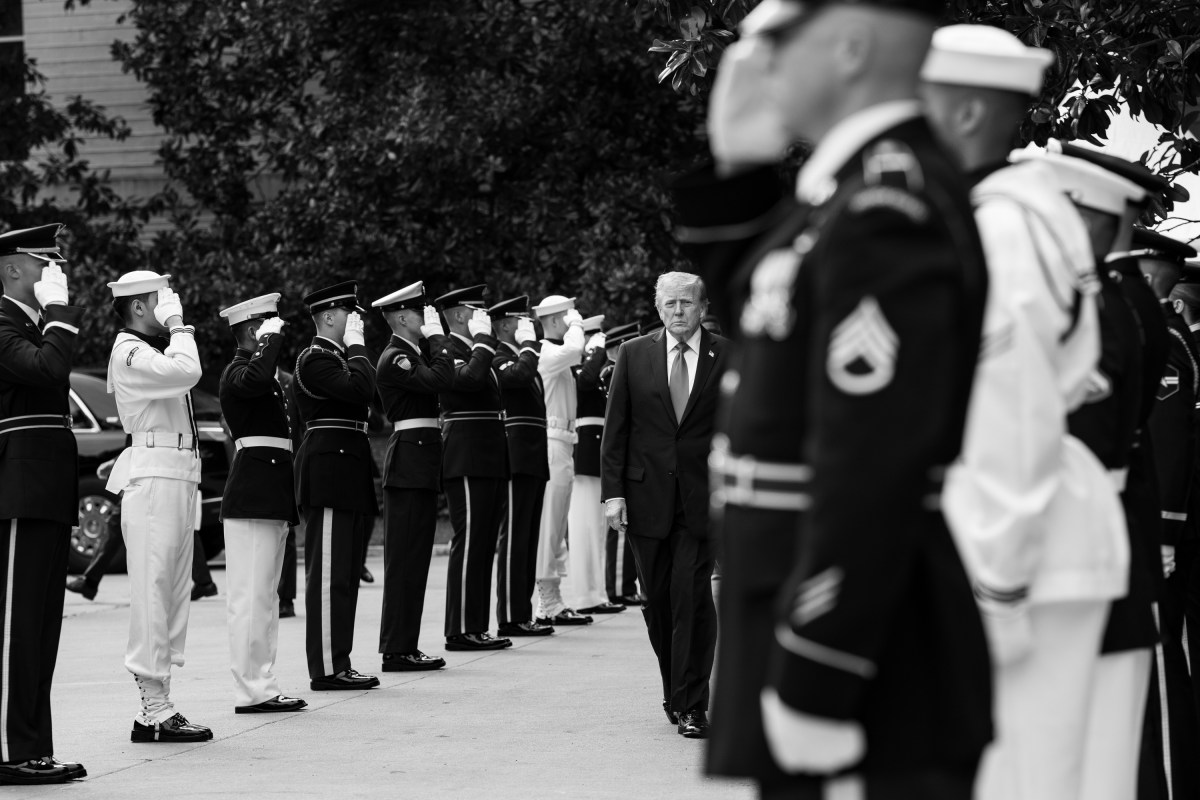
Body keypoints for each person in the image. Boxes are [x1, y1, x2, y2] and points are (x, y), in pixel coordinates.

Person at [671, 0, 992, 791]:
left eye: (777, 41)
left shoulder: (889, 205)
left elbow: (873, 459)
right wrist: (738, 167)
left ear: (849, 46)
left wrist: (821, 659)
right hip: (798, 597)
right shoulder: (846, 194)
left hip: (855, 634)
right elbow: (764, 312)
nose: (756, 62)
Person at [923, 29, 1135, 800]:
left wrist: (997, 583)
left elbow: (1010, 415)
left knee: (1020, 779)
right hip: (1025, 532)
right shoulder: (1000, 214)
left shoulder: (1003, 227)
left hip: (1021, 545)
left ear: (970, 110)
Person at [601, 272, 726, 739]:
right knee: (657, 603)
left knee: (692, 598)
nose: (679, 311)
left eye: (687, 303)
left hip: (702, 499)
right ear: (658, 308)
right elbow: (616, 431)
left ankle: (693, 704)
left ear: (702, 307)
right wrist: (613, 494)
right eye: (670, 303)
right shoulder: (634, 355)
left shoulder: (727, 355)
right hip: (644, 498)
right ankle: (675, 690)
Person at [105, 269, 212, 743]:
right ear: (139, 307)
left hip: (177, 475)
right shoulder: (128, 351)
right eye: (159, 296)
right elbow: (188, 372)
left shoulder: (149, 350)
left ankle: (161, 703)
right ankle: (152, 709)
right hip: (152, 477)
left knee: (171, 596)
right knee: (153, 594)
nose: (170, 300)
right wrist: (181, 326)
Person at [0, 224, 87, 783]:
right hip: (17, 488)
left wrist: (53, 314)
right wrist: (59, 313)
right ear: (11, 269)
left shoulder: (33, 324)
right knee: (15, 627)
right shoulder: (4, 323)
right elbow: (48, 370)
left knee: (41, 629)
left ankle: (33, 746)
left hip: (46, 486)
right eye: (42, 262)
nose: (54, 273)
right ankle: (9, 751)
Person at [217, 292, 307, 713]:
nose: (278, 337)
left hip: (271, 493)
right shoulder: (238, 373)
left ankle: (263, 683)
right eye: (270, 329)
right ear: (254, 331)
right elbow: (254, 378)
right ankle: (251, 689)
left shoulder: (267, 378)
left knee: (266, 598)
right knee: (250, 599)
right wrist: (268, 345)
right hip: (253, 493)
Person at [1134, 228, 1200, 800]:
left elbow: (1168, 441)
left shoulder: (1166, 342)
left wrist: (1164, 531)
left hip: (1161, 528)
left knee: (1160, 662)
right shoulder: (1158, 334)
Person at [292, 281, 380, 690]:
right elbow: (362, 389)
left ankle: (339, 661)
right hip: (329, 471)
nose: (355, 321)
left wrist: (357, 349)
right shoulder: (315, 358)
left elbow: (368, 401)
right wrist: (360, 346)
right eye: (350, 313)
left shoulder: (341, 359)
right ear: (329, 316)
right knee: (329, 575)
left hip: (348, 468)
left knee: (344, 574)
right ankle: (327, 668)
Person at [372, 281, 453, 669]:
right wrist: (438, 338)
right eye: (421, 313)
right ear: (403, 317)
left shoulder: (411, 353)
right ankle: (396, 649)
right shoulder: (396, 357)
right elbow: (441, 380)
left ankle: (405, 645)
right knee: (404, 561)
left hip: (419, 464)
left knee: (415, 560)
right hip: (408, 465)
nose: (427, 319)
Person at [434, 284, 512, 651]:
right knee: (469, 541)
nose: (484, 319)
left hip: (488, 451)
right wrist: (483, 341)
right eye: (477, 311)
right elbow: (469, 381)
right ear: (462, 316)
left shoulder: (474, 349)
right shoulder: (445, 348)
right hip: (466, 452)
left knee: (483, 543)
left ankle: (477, 625)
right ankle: (461, 628)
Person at [488, 295, 555, 638]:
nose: (525, 326)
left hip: (532, 458)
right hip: (515, 458)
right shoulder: (499, 357)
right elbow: (519, 374)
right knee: (514, 537)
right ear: (503, 326)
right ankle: (511, 616)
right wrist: (530, 344)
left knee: (527, 537)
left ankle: (522, 612)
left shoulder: (522, 359)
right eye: (519, 320)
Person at [531, 295, 593, 627]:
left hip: (565, 442)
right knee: (550, 525)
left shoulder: (557, 356)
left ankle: (552, 599)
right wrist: (578, 324)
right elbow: (573, 350)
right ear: (556, 321)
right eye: (566, 317)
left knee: (557, 527)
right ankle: (546, 601)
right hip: (552, 442)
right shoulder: (548, 353)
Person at [569, 314, 624, 615]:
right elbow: (586, 380)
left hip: (595, 455)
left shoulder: (592, 368)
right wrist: (597, 351)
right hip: (585, 455)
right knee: (584, 529)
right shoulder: (579, 368)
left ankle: (595, 593)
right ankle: (583, 596)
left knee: (597, 530)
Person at [599, 323, 643, 607]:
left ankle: (624, 585)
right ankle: (618, 586)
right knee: (620, 528)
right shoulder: (611, 370)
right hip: (618, 454)